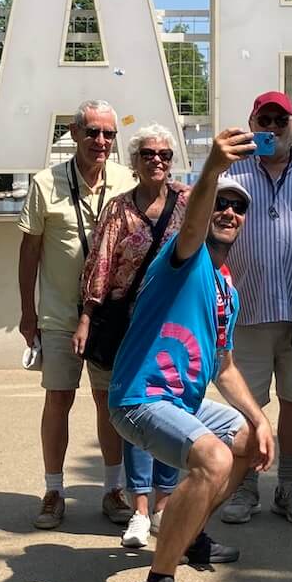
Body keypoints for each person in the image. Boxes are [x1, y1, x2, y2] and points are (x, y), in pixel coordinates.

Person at [110, 128, 274, 582]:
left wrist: (259, 416)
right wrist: (212, 171)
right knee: (214, 456)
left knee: (246, 439)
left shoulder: (227, 288)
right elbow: (192, 226)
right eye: (221, 204)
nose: (229, 213)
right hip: (139, 398)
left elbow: (223, 366)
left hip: (181, 402)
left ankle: (191, 534)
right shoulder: (183, 260)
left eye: (238, 209)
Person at [18, 101, 138, 530]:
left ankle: (112, 490)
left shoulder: (127, 179)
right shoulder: (45, 183)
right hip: (58, 315)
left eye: (108, 133)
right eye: (92, 132)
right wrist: (27, 312)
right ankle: (53, 491)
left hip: (110, 319)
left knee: (109, 403)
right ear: (73, 133)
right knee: (58, 399)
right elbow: (30, 249)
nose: (100, 141)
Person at [218, 90, 292, 529]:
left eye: (279, 121)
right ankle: (246, 489)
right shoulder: (233, 171)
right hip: (246, 309)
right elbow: (204, 216)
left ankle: (289, 487)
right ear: (252, 122)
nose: (271, 128)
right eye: (263, 120)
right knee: (248, 408)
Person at [77, 124, 190, 548]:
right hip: (131, 327)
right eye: (148, 154)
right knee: (136, 413)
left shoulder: (187, 203)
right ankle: (139, 509)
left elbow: (207, 256)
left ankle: (165, 504)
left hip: (176, 327)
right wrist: (87, 317)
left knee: (173, 412)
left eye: (164, 154)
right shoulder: (118, 208)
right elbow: (100, 265)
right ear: (135, 161)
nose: (157, 160)